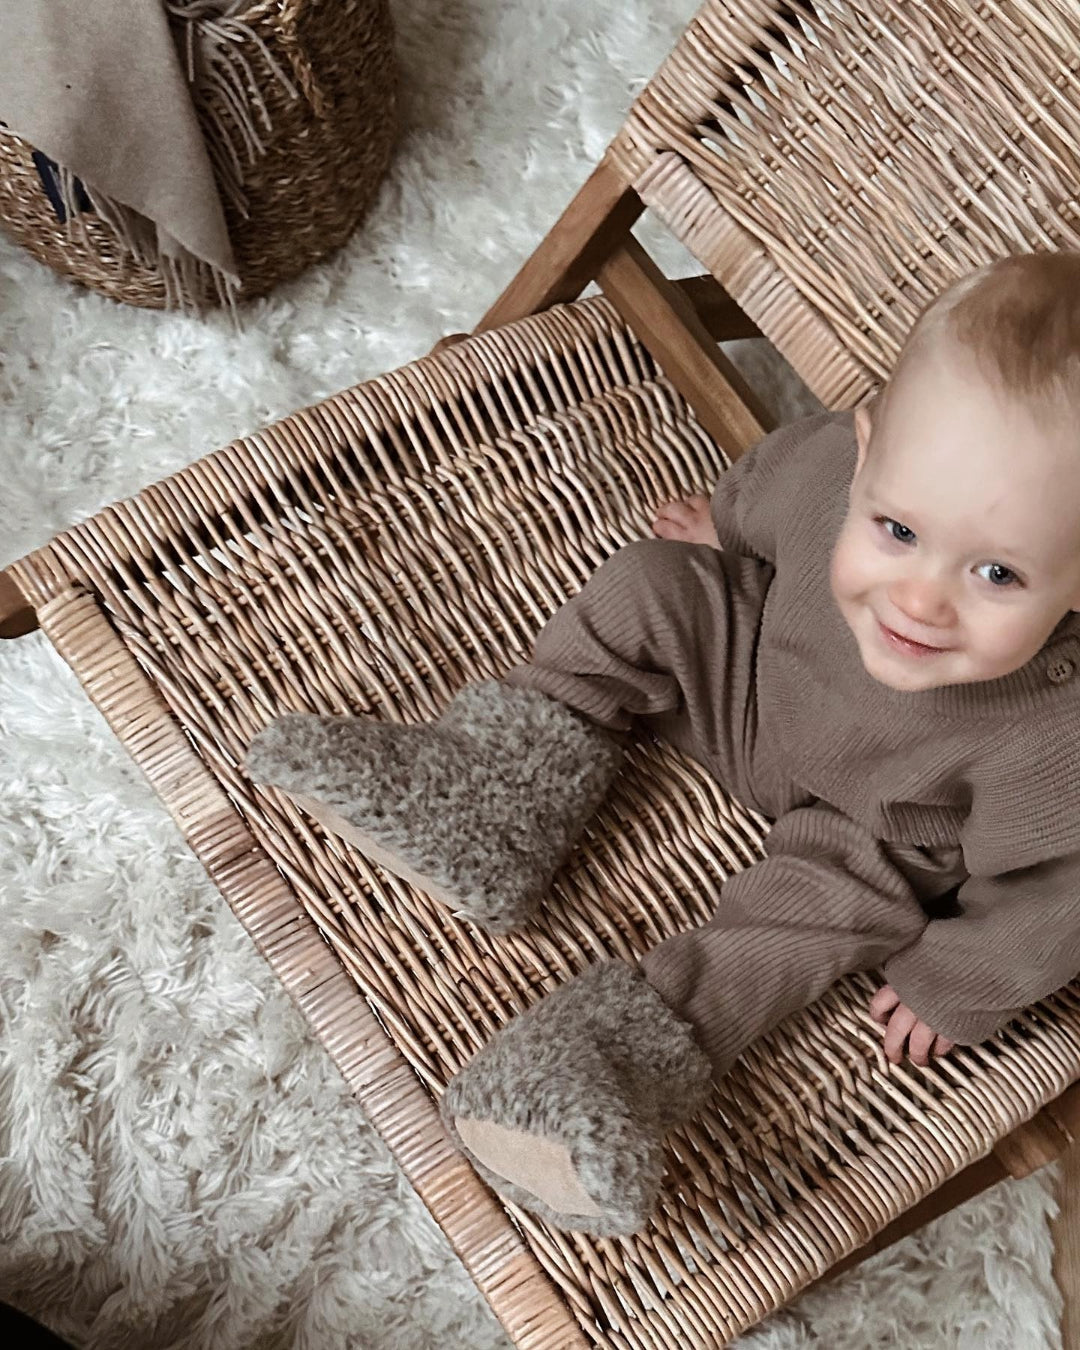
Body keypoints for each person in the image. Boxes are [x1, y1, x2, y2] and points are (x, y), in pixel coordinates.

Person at [246, 252, 1080, 1235]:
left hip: (874, 830)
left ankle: (614, 1063)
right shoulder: (832, 473)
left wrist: (960, 988)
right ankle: (494, 791)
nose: (918, 599)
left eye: (996, 574)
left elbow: (1051, 894)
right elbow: (773, 485)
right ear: (865, 454)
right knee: (650, 581)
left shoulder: (1054, 740)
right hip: (757, 683)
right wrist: (727, 532)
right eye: (896, 528)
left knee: (791, 930)